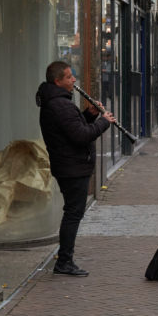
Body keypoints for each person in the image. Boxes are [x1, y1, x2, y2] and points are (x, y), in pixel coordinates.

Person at [36, 61, 116, 277]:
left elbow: (73, 127)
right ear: (58, 81)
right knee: (73, 214)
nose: (74, 80)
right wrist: (103, 122)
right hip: (72, 167)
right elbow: (80, 136)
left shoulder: (58, 102)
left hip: (69, 165)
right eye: (70, 77)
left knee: (73, 212)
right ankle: (64, 262)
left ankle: (65, 260)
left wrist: (89, 114)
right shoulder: (60, 105)